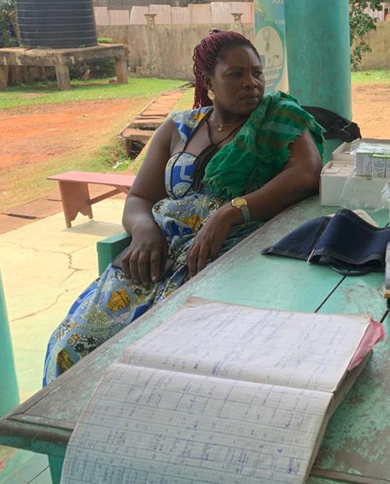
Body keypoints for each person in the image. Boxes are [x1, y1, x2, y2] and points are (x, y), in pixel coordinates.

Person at [43, 30, 324, 384]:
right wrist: (144, 231)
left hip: (224, 257)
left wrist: (230, 212)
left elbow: (307, 171)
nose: (251, 83)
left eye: (256, 73)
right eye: (236, 74)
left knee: (163, 357)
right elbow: (139, 197)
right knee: (71, 346)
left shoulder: (278, 119)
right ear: (208, 82)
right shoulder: (178, 128)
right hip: (155, 256)